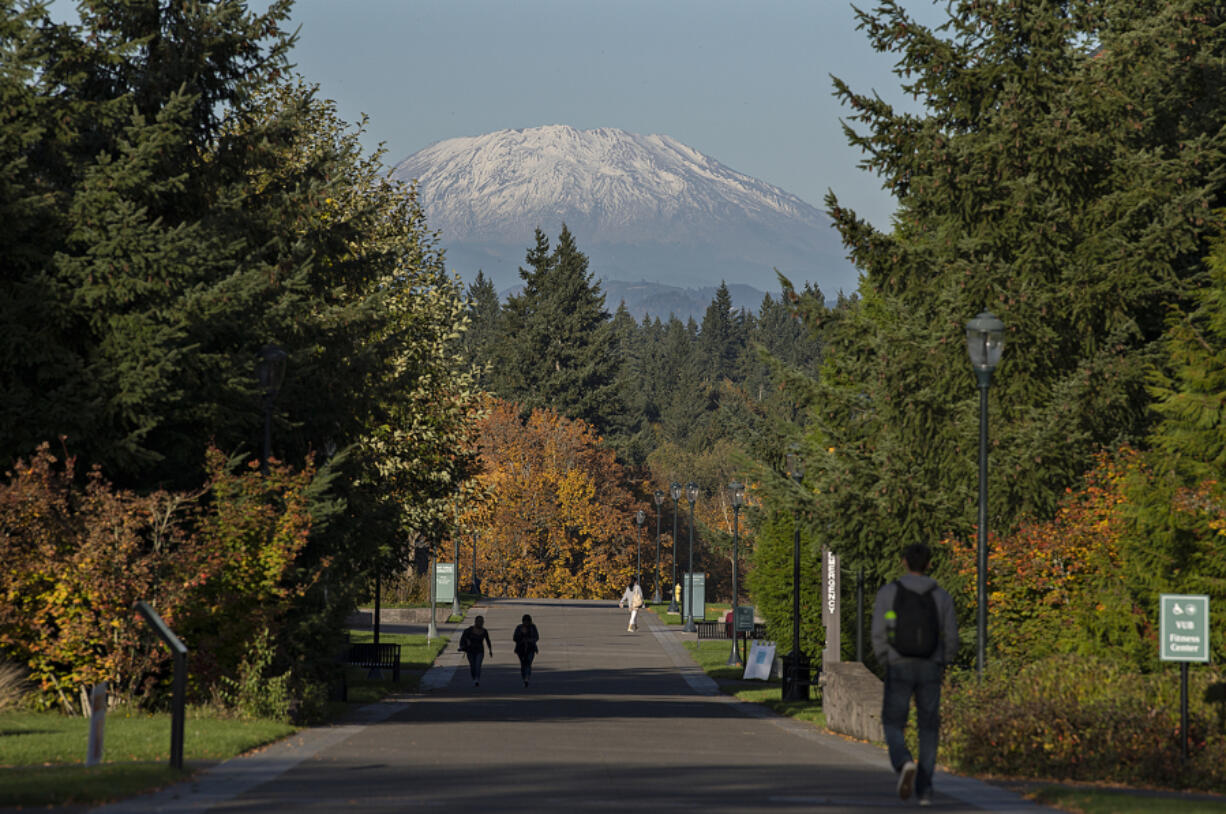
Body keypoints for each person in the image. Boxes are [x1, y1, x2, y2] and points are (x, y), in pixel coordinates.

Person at [870, 542, 958, 807]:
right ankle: (925, 790)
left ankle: (903, 761)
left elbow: (879, 630)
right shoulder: (940, 595)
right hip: (930, 665)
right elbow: (951, 635)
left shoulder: (889, 593)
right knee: (928, 727)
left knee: (893, 721)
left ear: (904, 562)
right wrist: (943, 661)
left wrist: (887, 658)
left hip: (899, 664)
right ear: (929, 564)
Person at [459, 615, 493, 687]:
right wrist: (465, 643)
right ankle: (474, 678)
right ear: (475, 622)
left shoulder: (484, 631)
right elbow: (463, 638)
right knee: (472, 666)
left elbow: (488, 641)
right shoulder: (469, 630)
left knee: (478, 665)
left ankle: (477, 679)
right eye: (479, 621)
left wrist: (490, 650)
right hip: (470, 651)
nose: (481, 623)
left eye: (482, 622)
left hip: (480, 651)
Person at [512, 614, 540, 687]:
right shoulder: (519, 628)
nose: (527, 623)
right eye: (525, 621)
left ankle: (527, 678)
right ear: (523, 621)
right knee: (523, 664)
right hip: (520, 649)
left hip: (531, 648)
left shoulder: (533, 627)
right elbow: (514, 638)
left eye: (528, 621)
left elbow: (537, 637)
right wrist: (521, 637)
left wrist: (530, 640)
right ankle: (524, 677)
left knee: (528, 663)